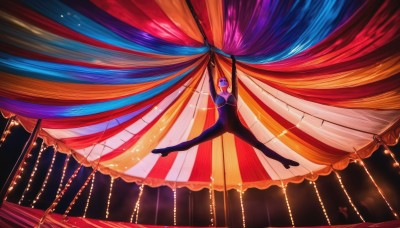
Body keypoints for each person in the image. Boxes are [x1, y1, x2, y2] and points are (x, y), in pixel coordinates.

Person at [152, 51, 299, 169]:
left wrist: (234, 64)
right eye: (221, 81)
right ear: (218, 84)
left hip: (236, 125)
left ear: (227, 83)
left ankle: (283, 160)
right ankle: (167, 150)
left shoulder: (232, 93)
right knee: (194, 141)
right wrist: (210, 63)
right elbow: (210, 80)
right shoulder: (215, 95)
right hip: (220, 125)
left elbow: (234, 80)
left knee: (259, 145)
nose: (223, 81)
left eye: (225, 80)